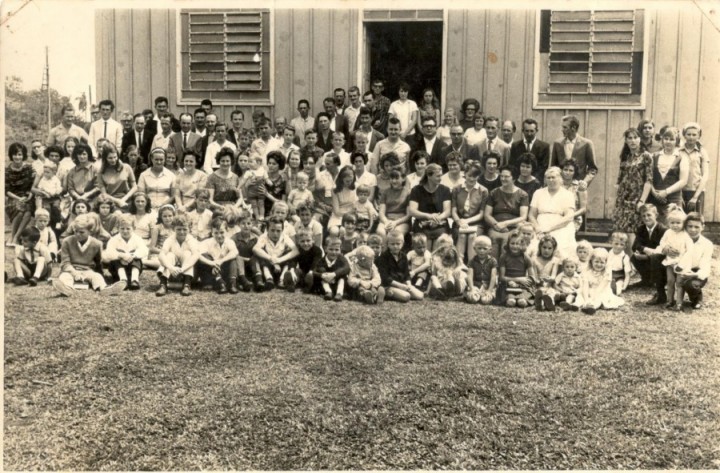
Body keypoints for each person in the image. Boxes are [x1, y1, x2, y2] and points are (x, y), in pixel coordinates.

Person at [53, 214, 126, 297]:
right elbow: (65, 263)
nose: (77, 234)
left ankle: (105, 289)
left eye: (81, 232)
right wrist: (75, 273)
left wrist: (101, 274)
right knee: (64, 277)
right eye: (75, 231)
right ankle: (67, 289)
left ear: (90, 231)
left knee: (97, 277)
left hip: (88, 270)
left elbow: (98, 263)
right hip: (70, 270)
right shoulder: (67, 241)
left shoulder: (97, 244)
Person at [613, 127, 654, 251]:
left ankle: (633, 265)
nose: (632, 141)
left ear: (640, 139)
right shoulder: (625, 157)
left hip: (636, 198)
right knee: (621, 233)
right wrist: (617, 200)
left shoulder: (646, 156)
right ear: (626, 140)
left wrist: (641, 201)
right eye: (629, 138)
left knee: (632, 232)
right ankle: (623, 263)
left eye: (635, 137)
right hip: (622, 200)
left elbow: (649, 181)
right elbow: (619, 180)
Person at [650, 206, 693, 310]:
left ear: (683, 223)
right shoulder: (668, 232)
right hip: (670, 262)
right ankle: (670, 301)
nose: (675, 225)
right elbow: (662, 242)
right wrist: (665, 247)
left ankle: (679, 303)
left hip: (681, 263)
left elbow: (689, 251)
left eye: (678, 223)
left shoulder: (685, 235)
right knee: (670, 281)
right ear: (669, 223)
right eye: (672, 223)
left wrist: (681, 265)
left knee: (679, 283)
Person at [528, 167, 577, 258]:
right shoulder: (538, 193)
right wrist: (538, 228)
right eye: (548, 178)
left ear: (560, 178)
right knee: (534, 247)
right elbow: (531, 215)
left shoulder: (567, 194)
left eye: (553, 177)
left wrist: (549, 229)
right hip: (540, 225)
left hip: (560, 226)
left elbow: (569, 216)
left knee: (561, 248)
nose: (551, 180)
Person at [484, 165, 529, 260]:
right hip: (495, 226)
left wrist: (505, 224)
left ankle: (504, 269)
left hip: (513, 227)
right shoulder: (494, 193)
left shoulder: (522, 194)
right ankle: (493, 267)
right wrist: (496, 225)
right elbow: (487, 214)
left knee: (508, 239)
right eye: (501, 176)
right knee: (494, 238)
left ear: (514, 178)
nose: (503, 179)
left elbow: (523, 217)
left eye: (506, 176)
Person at [647, 127, 689, 224]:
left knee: (674, 226)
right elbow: (648, 177)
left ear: (677, 141)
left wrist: (666, 192)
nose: (668, 142)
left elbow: (683, 181)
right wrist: (654, 192)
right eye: (666, 139)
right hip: (654, 199)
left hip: (673, 199)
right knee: (655, 228)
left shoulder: (682, 157)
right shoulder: (653, 156)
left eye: (672, 139)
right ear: (662, 140)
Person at [673, 212, 712, 310]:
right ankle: (665, 297)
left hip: (696, 273)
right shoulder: (679, 239)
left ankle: (697, 298)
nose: (692, 230)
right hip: (679, 269)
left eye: (696, 227)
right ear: (685, 226)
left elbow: (705, 266)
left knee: (690, 285)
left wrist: (694, 275)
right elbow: (673, 258)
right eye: (689, 226)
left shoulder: (707, 244)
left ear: (703, 227)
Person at [408, 163, 452, 249]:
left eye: (441, 176)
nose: (440, 178)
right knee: (424, 242)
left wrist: (438, 218)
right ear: (429, 175)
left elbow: (447, 211)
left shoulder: (445, 190)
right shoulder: (416, 190)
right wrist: (429, 216)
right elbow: (412, 211)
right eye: (438, 176)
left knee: (439, 240)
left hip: (440, 224)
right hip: (422, 224)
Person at [155, 214, 200, 297]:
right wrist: (171, 268)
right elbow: (161, 255)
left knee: (188, 253)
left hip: (188, 275)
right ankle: (163, 285)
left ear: (189, 229)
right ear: (174, 229)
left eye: (184, 229)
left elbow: (196, 255)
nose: (182, 232)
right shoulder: (170, 239)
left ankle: (187, 285)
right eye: (179, 229)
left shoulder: (191, 240)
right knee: (169, 255)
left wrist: (182, 269)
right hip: (173, 273)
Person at [451, 165, 488, 262]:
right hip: (459, 221)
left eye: (475, 176)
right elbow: (454, 210)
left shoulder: (483, 191)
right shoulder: (456, 189)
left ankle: (472, 265)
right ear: (464, 175)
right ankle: (459, 264)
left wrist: (466, 221)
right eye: (469, 175)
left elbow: (481, 214)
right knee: (462, 235)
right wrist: (459, 221)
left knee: (472, 236)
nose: (472, 178)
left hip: (476, 222)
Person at [630, 204, 667, 298]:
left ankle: (659, 282)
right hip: (647, 256)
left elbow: (663, 249)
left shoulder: (663, 230)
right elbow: (635, 245)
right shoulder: (641, 229)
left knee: (656, 259)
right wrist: (644, 249)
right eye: (643, 216)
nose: (646, 218)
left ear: (656, 215)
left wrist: (648, 256)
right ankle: (646, 280)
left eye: (649, 215)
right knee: (634, 257)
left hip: (659, 258)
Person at [549, 115, 598, 188]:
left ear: (574, 128)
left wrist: (584, 182)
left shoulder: (587, 144)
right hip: (560, 187)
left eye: (565, 127)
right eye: (562, 127)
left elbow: (593, 169)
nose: (562, 130)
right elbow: (553, 167)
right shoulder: (557, 143)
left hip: (578, 187)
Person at [252, 216, 299, 291]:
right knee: (258, 255)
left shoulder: (285, 237)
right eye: (272, 230)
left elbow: (296, 250)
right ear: (267, 230)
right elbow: (255, 249)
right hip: (268, 266)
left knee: (290, 255)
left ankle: (282, 279)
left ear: (282, 230)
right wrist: (271, 259)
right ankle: (268, 279)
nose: (275, 234)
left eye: (278, 231)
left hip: (281, 267)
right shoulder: (264, 237)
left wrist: (279, 260)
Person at [103, 214, 148, 289]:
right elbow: (109, 253)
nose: (125, 231)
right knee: (115, 259)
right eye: (122, 228)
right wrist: (121, 255)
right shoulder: (114, 239)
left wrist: (132, 255)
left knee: (137, 259)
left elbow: (144, 250)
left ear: (133, 228)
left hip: (132, 267)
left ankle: (134, 280)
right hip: (116, 269)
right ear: (118, 228)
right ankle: (123, 280)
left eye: (128, 229)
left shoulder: (137, 239)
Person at [573, 248, 624, 314]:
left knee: (599, 299)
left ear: (606, 263)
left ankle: (592, 307)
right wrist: (586, 299)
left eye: (602, 262)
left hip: (601, 291)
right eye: (596, 261)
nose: (599, 264)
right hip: (589, 290)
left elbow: (601, 288)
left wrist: (592, 298)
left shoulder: (607, 273)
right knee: (581, 294)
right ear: (591, 261)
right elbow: (585, 285)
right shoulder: (587, 271)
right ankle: (576, 305)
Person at [196, 218, 240, 294]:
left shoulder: (229, 241)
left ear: (227, 231)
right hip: (211, 272)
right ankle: (221, 284)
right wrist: (212, 263)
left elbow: (235, 252)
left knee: (233, 259)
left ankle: (233, 284)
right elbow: (197, 255)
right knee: (205, 256)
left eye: (222, 232)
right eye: (216, 233)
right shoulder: (207, 242)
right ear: (212, 233)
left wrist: (221, 261)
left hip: (224, 271)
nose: (219, 236)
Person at [497, 230, 536, 308]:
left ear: (522, 244)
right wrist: (517, 280)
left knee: (522, 300)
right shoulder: (504, 257)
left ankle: (522, 299)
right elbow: (501, 277)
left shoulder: (526, 257)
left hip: (521, 285)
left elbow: (532, 278)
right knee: (510, 299)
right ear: (508, 244)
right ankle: (511, 298)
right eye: (512, 243)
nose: (515, 246)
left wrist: (520, 282)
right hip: (507, 283)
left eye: (517, 243)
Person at [95, 143, 137, 212]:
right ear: (105, 158)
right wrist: (118, 201)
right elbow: (104, 193)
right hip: (111, 201)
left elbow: (134, 187)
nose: (113, 160)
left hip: (127, 198)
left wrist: (123, 199)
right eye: (110, 158)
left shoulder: (126, 167)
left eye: (115, 157)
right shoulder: (101, 172)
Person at [679, 122, 710, 214]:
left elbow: (705, 174)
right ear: (684, 135)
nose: (691, 137)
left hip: (696, 191)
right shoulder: (679, 151)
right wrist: (679, 195)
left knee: (695, 219)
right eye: (688, 134)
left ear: (698, 136)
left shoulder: (702, 152)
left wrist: (695, 197)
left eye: (694, 134)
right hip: (681, 191)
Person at [307, 236, 349, 301]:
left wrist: (334, 274)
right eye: (331, 249)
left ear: (340, 250)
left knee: (342, 277)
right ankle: (328, 292)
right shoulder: (322, 260)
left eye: (336, 250)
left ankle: (339, 293)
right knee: (321, 270)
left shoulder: (341, 258)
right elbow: (314, 271)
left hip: (337, 283)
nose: (334, 252)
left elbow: (347, 267)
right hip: (325, 284)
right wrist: (322, 275)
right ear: (325, 249)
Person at [509, 118, 551, 184]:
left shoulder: (544, 146)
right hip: (519, 182)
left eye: (532, 131)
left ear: (536, 131)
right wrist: (520, 179)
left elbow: (543, 167)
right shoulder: (515, 146)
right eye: (527, 131)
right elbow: (512, 165)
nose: (529, 134)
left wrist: (532, 180)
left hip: (536, 182)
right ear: (523, 131)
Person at [428, 235, 467, 300]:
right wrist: (428, 289)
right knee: (433, 277)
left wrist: (458, 269)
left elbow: (464, 268)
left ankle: (453, 288)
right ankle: (440, 291)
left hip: (456, 280)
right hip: (443, 281)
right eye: (441, 248)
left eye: (445, 248)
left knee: (450, 274)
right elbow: (433, 275)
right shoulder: (436, 259)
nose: (443, 251)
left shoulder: (457, 258)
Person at [377, 169, 411, 238]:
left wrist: (395, 223)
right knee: (380, 232)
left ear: (403, 178)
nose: (394, 181)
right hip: (387, 219)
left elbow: (408, 215)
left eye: (397, 178)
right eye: (392, 178)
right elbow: (381, 212)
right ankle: (384, 248)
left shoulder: (408, 193)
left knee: (395, 234)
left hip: (401, 221)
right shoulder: (386, 192)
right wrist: (386, 222)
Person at [464, 235, 498, 305]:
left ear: (490, 249)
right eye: (479, 248)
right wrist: (471, 288)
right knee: (473, 298)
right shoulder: (472, 261)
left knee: (485, 300)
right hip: (476, 285)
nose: (482, 251)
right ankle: (475, 294)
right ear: (474, 248)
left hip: (488, 285)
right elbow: (469, 275)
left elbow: (493, 276)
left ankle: (485, 295)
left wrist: (489, 290)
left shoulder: (493, 261)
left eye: (485, 249)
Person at [532, 235, 560, 310]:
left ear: (553, 249)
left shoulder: (555, 261)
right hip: (538, 285)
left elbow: (553, 276)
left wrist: (549, 279)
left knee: (552, 293)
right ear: (540, 247)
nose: (546, 250)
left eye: (549, 248)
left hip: (549, 286)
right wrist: (538, 281)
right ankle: (539, 304)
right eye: (544, 247)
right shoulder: (535, 260)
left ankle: (550, 304)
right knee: (539, 291)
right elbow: (534, 276)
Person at [560, 160, 588, 232]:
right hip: (558, 216)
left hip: (573, 218)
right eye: (565, 170)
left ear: (574, 172)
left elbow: (583, 209)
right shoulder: (557, 185)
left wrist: (570, 216)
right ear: (562, 171)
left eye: (571, 170)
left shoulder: (580, 186)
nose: (568, 172)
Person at [328, 165, 357, 231]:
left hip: (352, 215)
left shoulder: (356, 187)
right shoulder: (335, 190)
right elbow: (337, 212)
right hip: (339, 215)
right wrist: (349, 212)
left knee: (344, 230)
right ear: (341, 179)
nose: (349, 183)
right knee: (334, 231)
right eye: (347, 181)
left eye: (351, 180)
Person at [263, 151, 288, 217]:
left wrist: (267, 195)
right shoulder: (262, 177)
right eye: (269, 163)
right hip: (260, 209)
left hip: (276, 212)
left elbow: (282, 203)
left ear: (279, 165)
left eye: (274, 164)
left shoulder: (283, 181)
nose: (270, 166)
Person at [607, 232, 632, 296]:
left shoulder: (625, 257)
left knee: (618, 291)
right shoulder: (608, 254)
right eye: (616, 244)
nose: (618, 246)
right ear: (611, 243)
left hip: (619, 277)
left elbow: (627, 274)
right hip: (608, 275)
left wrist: (625, 285)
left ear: (625, 246)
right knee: (604, 287)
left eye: (622, 244)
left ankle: (615, 288)